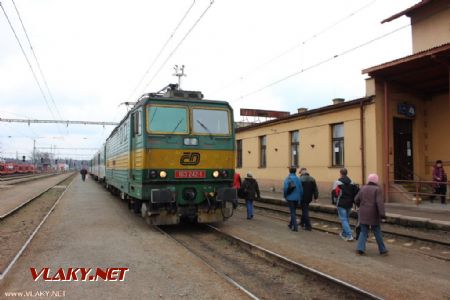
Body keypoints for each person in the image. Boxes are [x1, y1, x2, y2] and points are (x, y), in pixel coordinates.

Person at [355, 174, 388, 256]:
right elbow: (379, 203)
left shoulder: (363, 188)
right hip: (374, 214)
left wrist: (360, 206)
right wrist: (382, 215)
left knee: (363, 231)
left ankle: (360, 249)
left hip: (363, 213)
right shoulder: (377, 189)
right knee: (377, 231)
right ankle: (382, 250)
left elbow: (356, 199)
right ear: (376, 180)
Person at [332, 168, 358, 241]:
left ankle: (349, 235)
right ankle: (344, 233)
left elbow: (334, 193)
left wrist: (334, 202)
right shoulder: (352, 182)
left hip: (341, 203)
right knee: (346, 219)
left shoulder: (337, 182)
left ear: (340, 173)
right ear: (347, 173)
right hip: (349, 203)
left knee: (343, 219)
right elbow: (355, 193)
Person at [283, 166, 303, 231]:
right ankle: (291, 224)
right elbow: (301, 190)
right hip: (297, 198)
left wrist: (285, 196)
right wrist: (300, 197)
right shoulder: (298, 179)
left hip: (290, 198)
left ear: (289, 171)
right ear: (295, 171)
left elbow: (285, 188)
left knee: (292, 212)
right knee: (294, 211)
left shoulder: (288, 178)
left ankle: (295, 227)